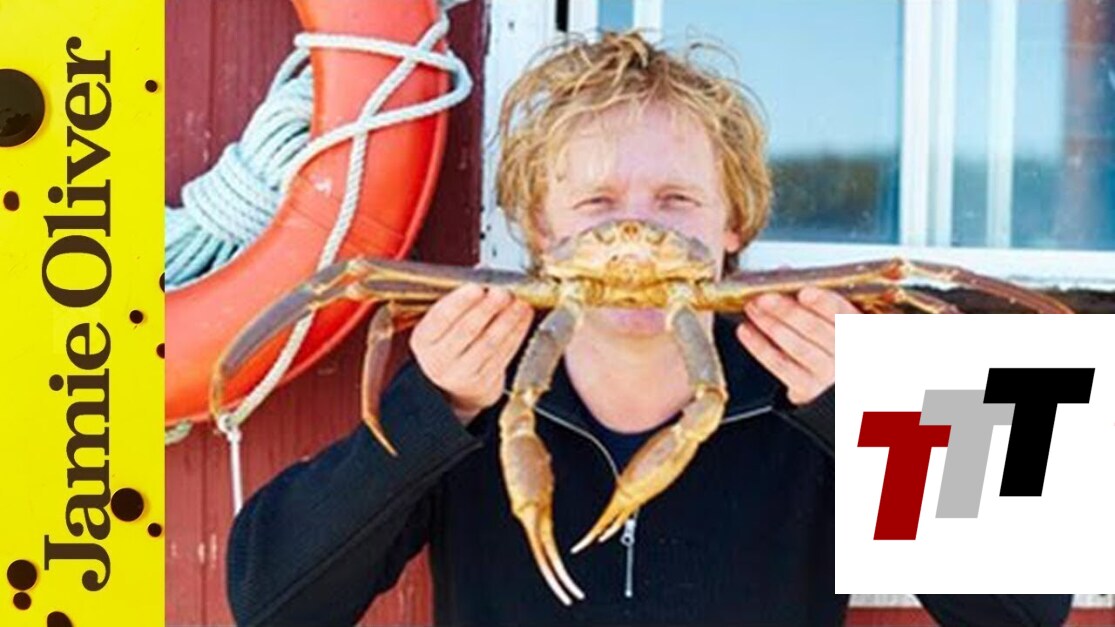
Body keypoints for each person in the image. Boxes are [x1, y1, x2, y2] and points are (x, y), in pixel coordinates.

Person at [225, 32, 1072, 626]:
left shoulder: (823, 373)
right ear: (540, 228)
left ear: (733, 221)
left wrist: (863, 417)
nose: (634, 238)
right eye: (596, 202)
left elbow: (1028, 611)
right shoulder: (475, 375)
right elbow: (271, 601)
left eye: (676, 200)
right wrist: (430, 415)